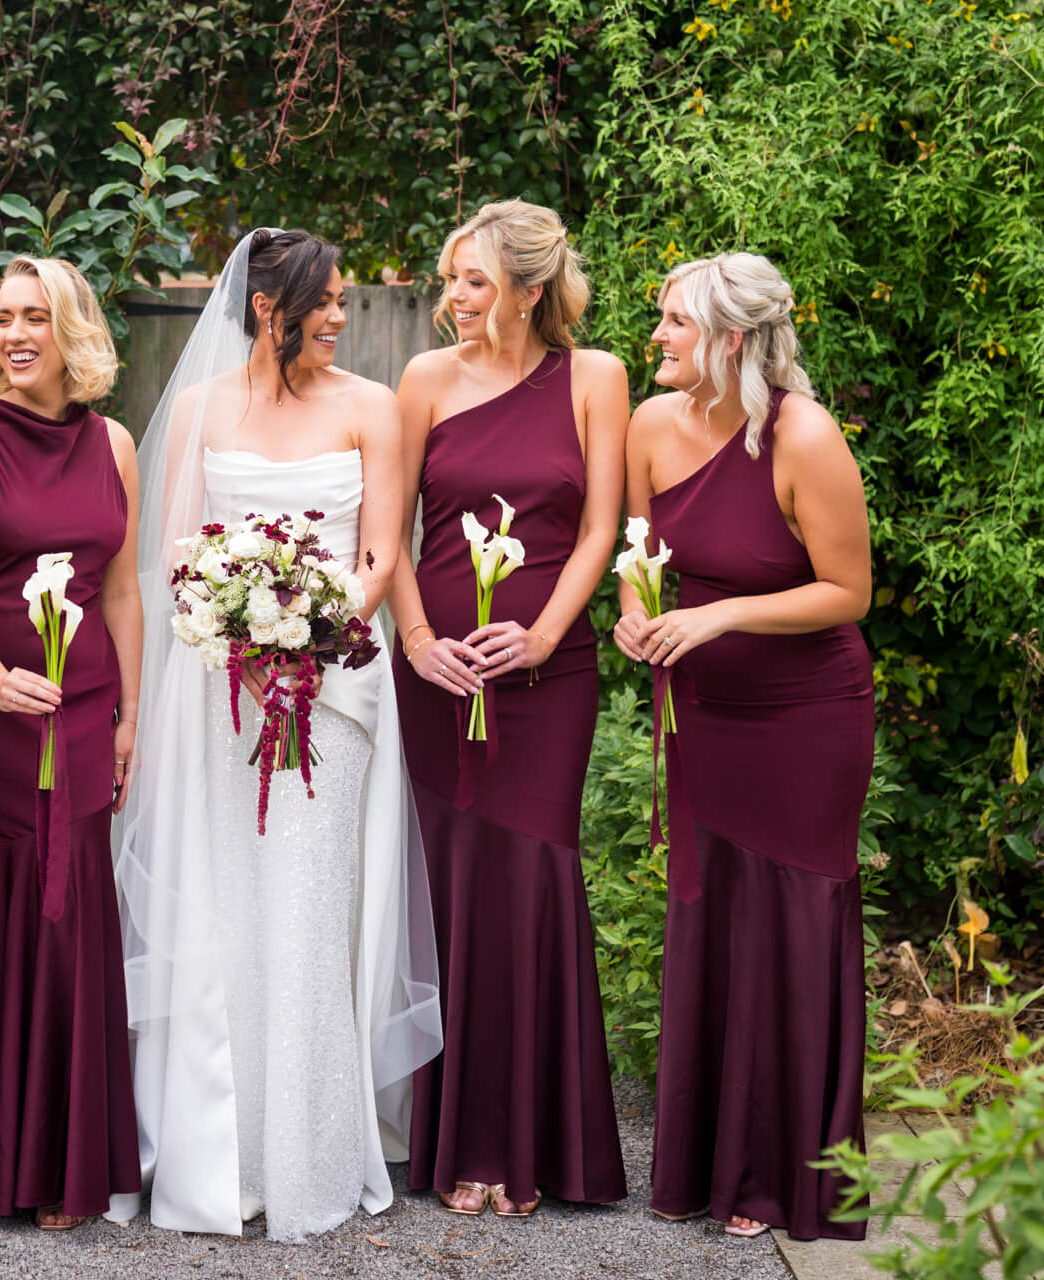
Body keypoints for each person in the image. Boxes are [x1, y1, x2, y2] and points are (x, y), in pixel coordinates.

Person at [110, 228, 443, 1243]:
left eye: (343, 300)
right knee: (227, 904)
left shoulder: (371, 406)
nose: (340, 316)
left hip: (336, 686)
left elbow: (381, 552)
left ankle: (310, 1153)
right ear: (268, 308)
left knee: (307, 906)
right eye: (326, 301)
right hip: (224, 689)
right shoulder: (202, 407)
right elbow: (177, 553)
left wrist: (311, 633)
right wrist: (241, 638)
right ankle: (227, 1150)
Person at [618, 251, 872, 1242]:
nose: (657, 336)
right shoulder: (651, 424)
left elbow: (847, 591)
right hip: (705, 712)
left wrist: (718, 617)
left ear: (729, 338)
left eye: (675, 322)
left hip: (806, 716)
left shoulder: (804, 435)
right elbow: (643, 555)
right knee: (714, 915)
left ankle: (782, 1178)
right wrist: (638, 615)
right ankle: (709, 1165)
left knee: (792, 925)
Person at [388, 200, 629, 1218]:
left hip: (549, 677)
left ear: (530, 291)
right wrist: (415, 642)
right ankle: (456, 1143)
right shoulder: (424, 380)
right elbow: (389, 533)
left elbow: (601, 528)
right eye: (452, 278)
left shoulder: (597, 378)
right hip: (437, 675)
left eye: (475, 280)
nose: (454, 296)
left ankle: (534, 1144)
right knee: (450, 884)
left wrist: (543, 636)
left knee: (532, 874)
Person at [0, 256, 142, 1230]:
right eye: (3, 317)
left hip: (84, 708)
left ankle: (63, 1158)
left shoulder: (114, 443)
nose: (13, 334)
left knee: (70, 911)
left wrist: (130, 715)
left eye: (35, 318)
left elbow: (121, 589)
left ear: (72, 332)